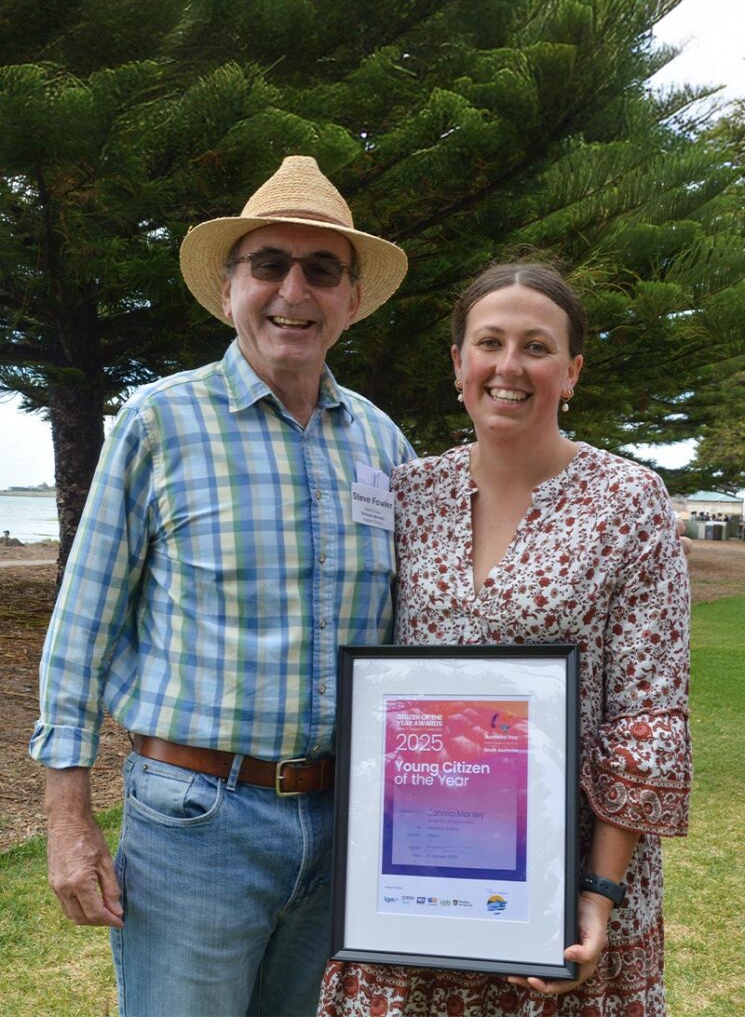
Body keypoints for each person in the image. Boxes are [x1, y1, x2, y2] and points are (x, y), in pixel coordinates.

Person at [29, 155, 415, 1017]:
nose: (294, 290)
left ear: (350, 299)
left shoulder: (384, 444)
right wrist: (67, 818)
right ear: (231, 288)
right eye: (269, 264)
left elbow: (416, 630)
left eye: (322, 270)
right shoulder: (160, 421)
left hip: (341, 823)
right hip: (196, 821)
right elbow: (83, 623)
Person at [319, 263, 691, 1017]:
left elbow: (647, 717)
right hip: (418, 874)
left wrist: (598, 893)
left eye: (536, 346)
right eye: (488, 342)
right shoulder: (409, 494)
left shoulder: (627, 500)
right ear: (458, 364)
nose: (509, 366)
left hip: (569, 877)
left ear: (571, 372)